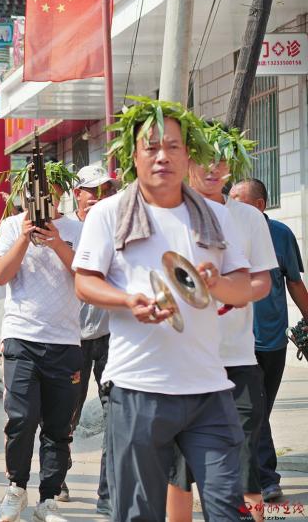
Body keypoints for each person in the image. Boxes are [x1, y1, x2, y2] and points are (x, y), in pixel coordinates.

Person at [73, 101, 254, 521]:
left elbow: (242, 288)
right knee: (139, 513)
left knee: (229, 509)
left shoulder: (216, 216)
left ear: (188, 154)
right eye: (151, 147)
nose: (162, 157)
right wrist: (127, 300)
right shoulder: (109, 214)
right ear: (133, 156)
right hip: (138, 389)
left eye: (172, 146)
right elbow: (84, 282)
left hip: (209, 390)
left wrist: (215, 283)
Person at [168, 129, 278, 522]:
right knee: (179, 473)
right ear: (188, 161)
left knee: (246, 463)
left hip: (238, 358)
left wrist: (230, 291)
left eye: (222, 160)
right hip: (184, 361)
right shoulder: (170, 212)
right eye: (204, 159)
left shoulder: (248, 217)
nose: (213, 168)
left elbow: (262, 281)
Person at [0, 161, 83, 522]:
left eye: (50, 195)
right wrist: (23, 238)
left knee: (59, 428)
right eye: (35, 195)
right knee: (21, 418)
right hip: (22, 337)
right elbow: (1, 275)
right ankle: (16, 488)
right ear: (25, 195)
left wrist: (57, 242)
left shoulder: (77, 229)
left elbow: (84, 276)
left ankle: (47, 501)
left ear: (60, 195)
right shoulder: (10, 226)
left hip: (65, 340)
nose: (44, 201)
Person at [230, 178, 308, 503]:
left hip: (273, 340)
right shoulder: (225, 235)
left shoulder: (281, 234)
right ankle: (264, 479)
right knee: (253, 411)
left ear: (259, 205)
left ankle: (252, 477)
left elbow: (294, 283)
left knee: (260, 411)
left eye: (238, 198)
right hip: (238, 343)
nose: (230, 203)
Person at [60, 165, 117, 512]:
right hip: (73, 338)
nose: (98, 196)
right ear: (77, 193)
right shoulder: (66, 230)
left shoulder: (115, 226)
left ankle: (108, 490)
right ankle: (59, 472)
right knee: (69, 413)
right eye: (92, 190)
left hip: (110, 335)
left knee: (117, 413)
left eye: (105, 190)